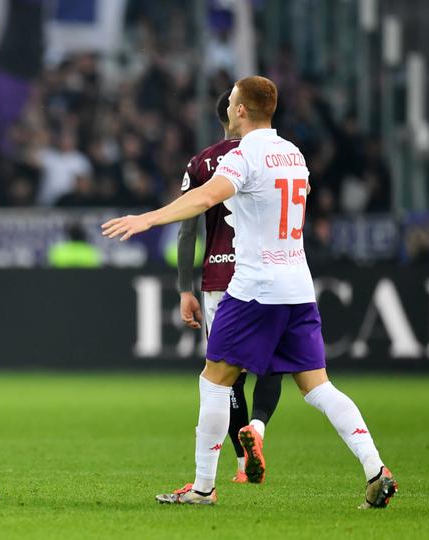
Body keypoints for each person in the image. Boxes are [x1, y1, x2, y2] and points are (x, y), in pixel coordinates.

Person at [102, 76, 397, 509]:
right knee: (318, 388)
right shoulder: (294, 154)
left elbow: (205, 197)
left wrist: (147, 219)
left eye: (232, 102)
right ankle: (376, 469)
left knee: (214, 382)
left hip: (255, 288)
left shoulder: (244, 156)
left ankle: (203, 488)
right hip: (298, 286)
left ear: (238, 110)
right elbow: (300, 197)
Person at [177, 89, 282, 484]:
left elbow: (188, 230)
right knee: (273, 363)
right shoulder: (278, 155)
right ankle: (257, 426)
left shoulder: (203, 161)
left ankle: (239, 466)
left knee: (224, 373)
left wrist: (185, 288)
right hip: (268, 274)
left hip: (219, 280)